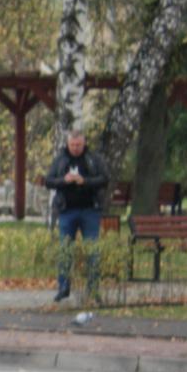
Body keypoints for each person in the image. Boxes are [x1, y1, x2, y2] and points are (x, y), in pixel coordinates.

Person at [43, 130, 108, 303]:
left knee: (92, 251)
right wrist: (63, 180)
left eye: (79, 145)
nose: (76, 148)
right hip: (66, 211)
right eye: (73, 145)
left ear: (84, 143)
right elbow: (48, 181)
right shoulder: (61, 159)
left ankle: (93, 288)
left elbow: (104, 179)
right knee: (65, 250)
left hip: (90, 210)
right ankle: (63, 287)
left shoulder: (93, 159)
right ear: (68, 144)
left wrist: (84, 181)